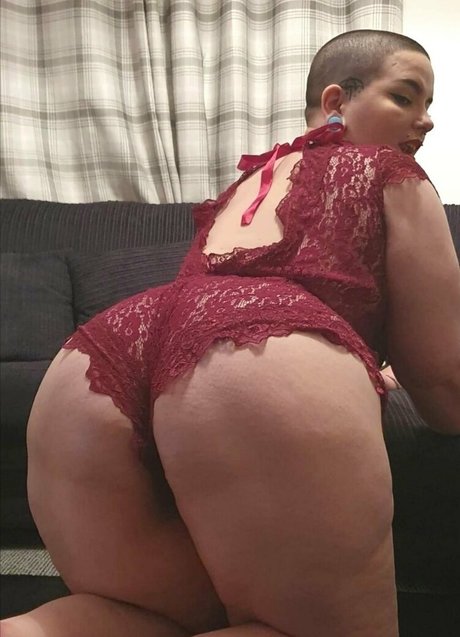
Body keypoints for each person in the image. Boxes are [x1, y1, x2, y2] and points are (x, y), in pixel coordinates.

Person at [2, 28, 460, 637]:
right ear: (336, 101)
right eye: (405, 97)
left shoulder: (250, 181)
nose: (426, 121)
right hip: (260, 359)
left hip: (94, 365)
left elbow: (210, 312)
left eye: (429, 105)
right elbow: (443, 382)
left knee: (136, 617)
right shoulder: (389, 172)